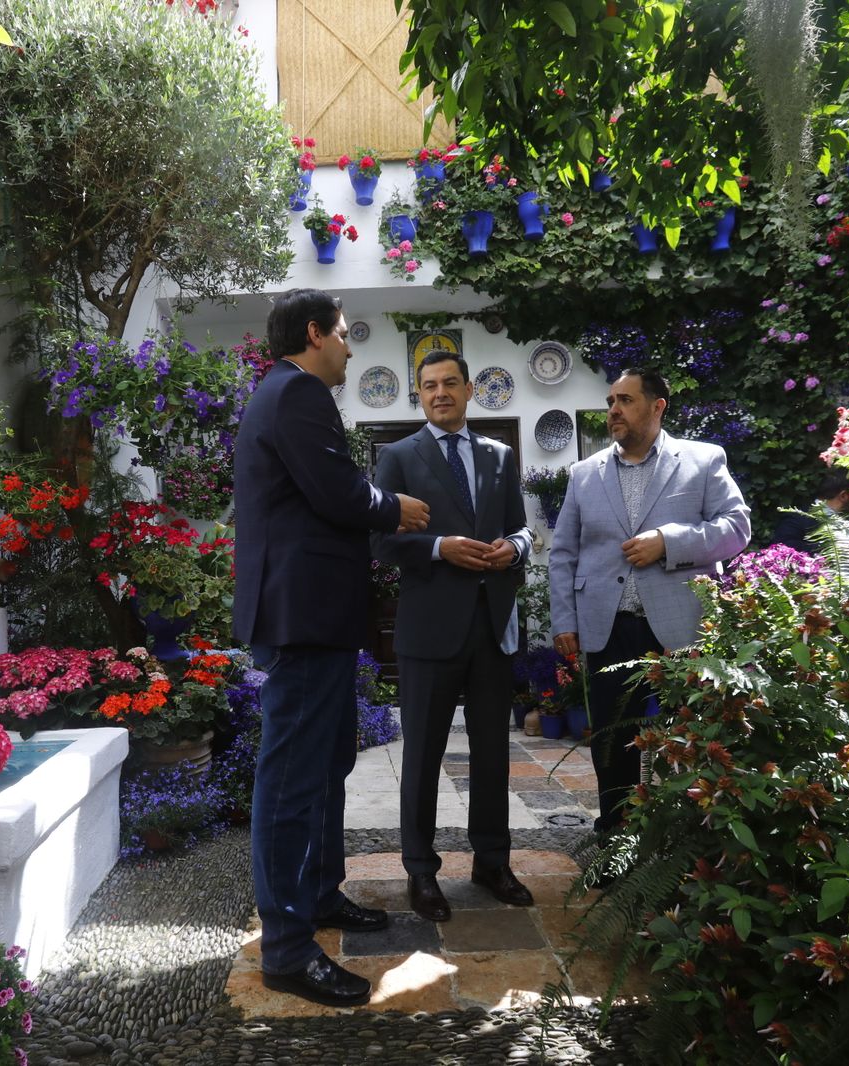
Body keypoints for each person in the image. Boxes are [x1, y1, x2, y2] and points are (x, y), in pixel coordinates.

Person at [233, 288, 430, 1007]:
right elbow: (340, 494)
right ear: (314, 334)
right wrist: (394, 507)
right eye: (344, 335)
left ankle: (318, 896)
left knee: (326, 765)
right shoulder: (298, 394)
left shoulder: (282, 393)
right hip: (302, 619)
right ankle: (287, 950)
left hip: (311, 616)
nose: (350, 347)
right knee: (291, 780)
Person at [548, 368, 750, 840]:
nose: (613, 410)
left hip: (682, 627)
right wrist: (564, 620)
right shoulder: (583, 474)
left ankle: (691, 839)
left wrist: (669, 542)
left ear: (658, 406)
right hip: (608, 627)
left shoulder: (702, 461)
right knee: (612, 742)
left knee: (691, 739)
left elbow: (737, 529)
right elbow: (563, 553)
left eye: (625, 400)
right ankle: (615, 838)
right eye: (610, 400)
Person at [370, 350, 536, 923]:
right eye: (428, 385)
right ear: (419, 396)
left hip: (492, 624)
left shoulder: (499, 456)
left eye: (449, 383)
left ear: (469, 390)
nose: (439, 392)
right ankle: (420, 870)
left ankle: (492, 861)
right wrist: (440, 547)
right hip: (429, 628)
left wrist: (514, 547)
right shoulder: (397, 457)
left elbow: (521, 528)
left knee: (493, 752)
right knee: (422, 754)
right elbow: (381, 542)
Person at [770, 473, 849, 579]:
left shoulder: (847, 522)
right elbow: (782, 549)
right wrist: (831, 549)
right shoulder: (798, 518)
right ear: (843, 495)